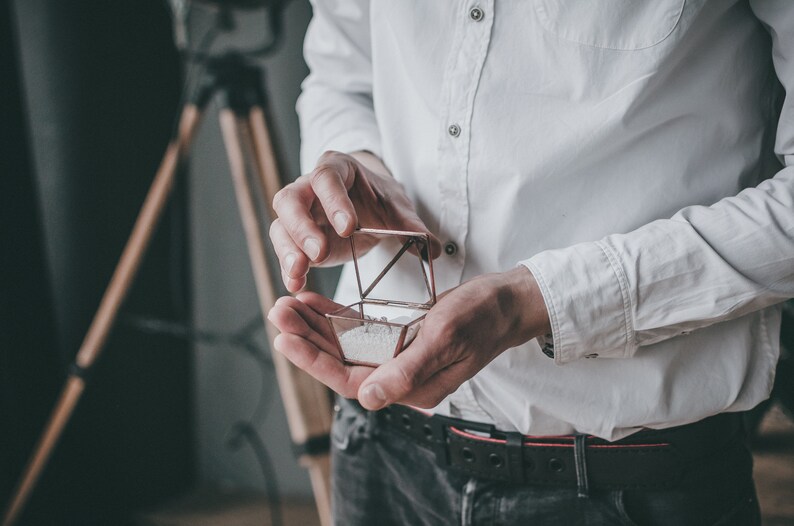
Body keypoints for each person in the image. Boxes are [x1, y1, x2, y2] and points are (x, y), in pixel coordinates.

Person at [267, 2, 794, 524]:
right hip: (382, 450)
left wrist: (532, 301)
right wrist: (360, 161)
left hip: (630, 484)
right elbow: (343, 70)